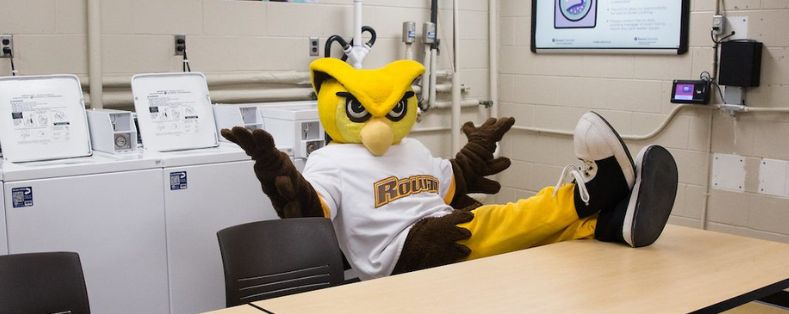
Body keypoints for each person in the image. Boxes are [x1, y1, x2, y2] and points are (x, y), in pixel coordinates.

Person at [222, 59, 679, 281]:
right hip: (402, 258)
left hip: (441, 231)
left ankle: (607, 224)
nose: (381, 123)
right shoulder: (330, 160)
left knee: (524, 237)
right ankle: (585, 197)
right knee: (497, 221)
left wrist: (477, 147)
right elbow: (310, 211)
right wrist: (273, 167)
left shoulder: (415, 149)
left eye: (393, 109)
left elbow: (454, 178)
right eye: (364, 111)